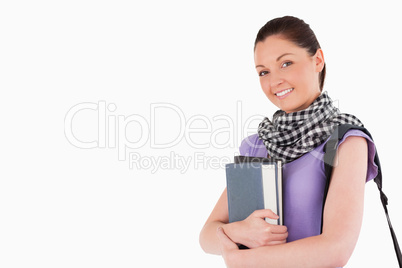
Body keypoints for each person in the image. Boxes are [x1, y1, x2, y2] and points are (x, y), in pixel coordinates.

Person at [199, 16, 379, 267]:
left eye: (286, 63)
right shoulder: (258, 144)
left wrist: (244, 260)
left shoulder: (343, 141)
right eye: (263, 72)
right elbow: (207, 234)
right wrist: (238, 232)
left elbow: (336, 249)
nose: (274, 81)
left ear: (317, 60)